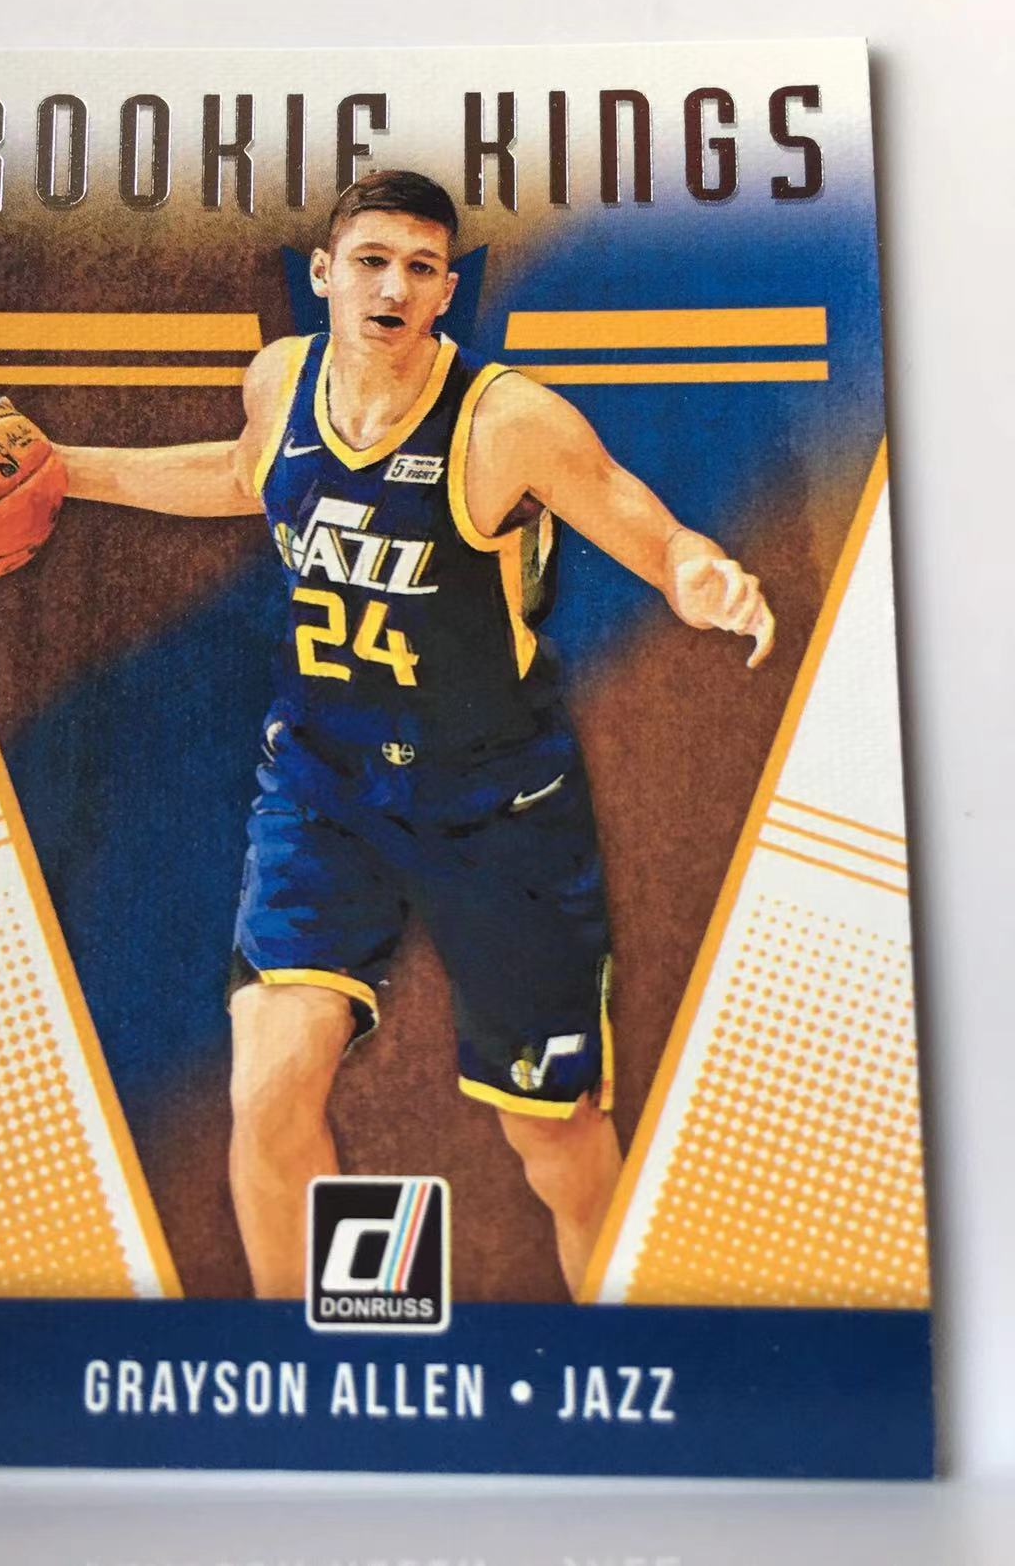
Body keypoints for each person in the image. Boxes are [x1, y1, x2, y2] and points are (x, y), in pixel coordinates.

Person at [57, 169, 773, 1301]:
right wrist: (62, 471)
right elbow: (248, 474)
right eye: (373, 261)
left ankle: (623, 1332)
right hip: (323, 787)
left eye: (421, 268)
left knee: (555, 1137)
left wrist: (696, 571)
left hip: (495, 807)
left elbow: (639, 517)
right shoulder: (280, 381)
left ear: (446, 292)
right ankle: (294, 1363)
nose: (393, 287)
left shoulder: (508, 422)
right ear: (324, 273)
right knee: (266, 1092)